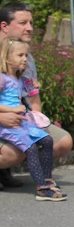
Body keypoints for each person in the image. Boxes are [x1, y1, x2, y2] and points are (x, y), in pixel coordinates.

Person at [0, 1, 73, 187]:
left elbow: (33, 95)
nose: (30, 28)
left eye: (31, 23)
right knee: (14, 152)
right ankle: (8, 162)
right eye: (23, 23)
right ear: (4, 26)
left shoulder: (25, 56)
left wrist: (35, 116)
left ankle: (13, 170)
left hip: (18, 117)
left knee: (61, 141)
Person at [0, 38, 64, 200]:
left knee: (47, 140)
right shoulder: (1, 78)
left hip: (21, 122)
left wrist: (34, 88)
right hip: (7, 125)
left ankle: (47, 179)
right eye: (20, 55)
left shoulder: (19, 79)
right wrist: (12, 109)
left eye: (26, 55)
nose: (25, 59)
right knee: (31, 148)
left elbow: (30, 95)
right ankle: (42, 188)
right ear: (7, 57)